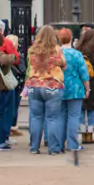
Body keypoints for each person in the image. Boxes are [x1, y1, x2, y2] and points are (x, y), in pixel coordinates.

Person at [25, 26, 67, 155]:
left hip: (34, 85)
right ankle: (53, 148)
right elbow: (64, 64)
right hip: (52, 85)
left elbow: (29, 65)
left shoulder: (32, 50)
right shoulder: (56, 50)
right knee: (53, 118)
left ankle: (34, 147)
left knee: (36, 117)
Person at [58, 28, 90, 153]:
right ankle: (72, 143)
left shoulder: (57, 53)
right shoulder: (77, 54)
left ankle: (59, 143)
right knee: (73, 117)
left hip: (59, 87)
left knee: (60, 116)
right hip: (75, 88)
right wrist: (87, 88)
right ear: (71, 39)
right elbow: (84, 74)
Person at [77, 28, 94, 145]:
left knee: (81, 107)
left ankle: (82, 132)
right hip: (92, 81)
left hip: (80, 81)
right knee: (92, 108)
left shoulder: (78, 50)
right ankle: (90, 134)